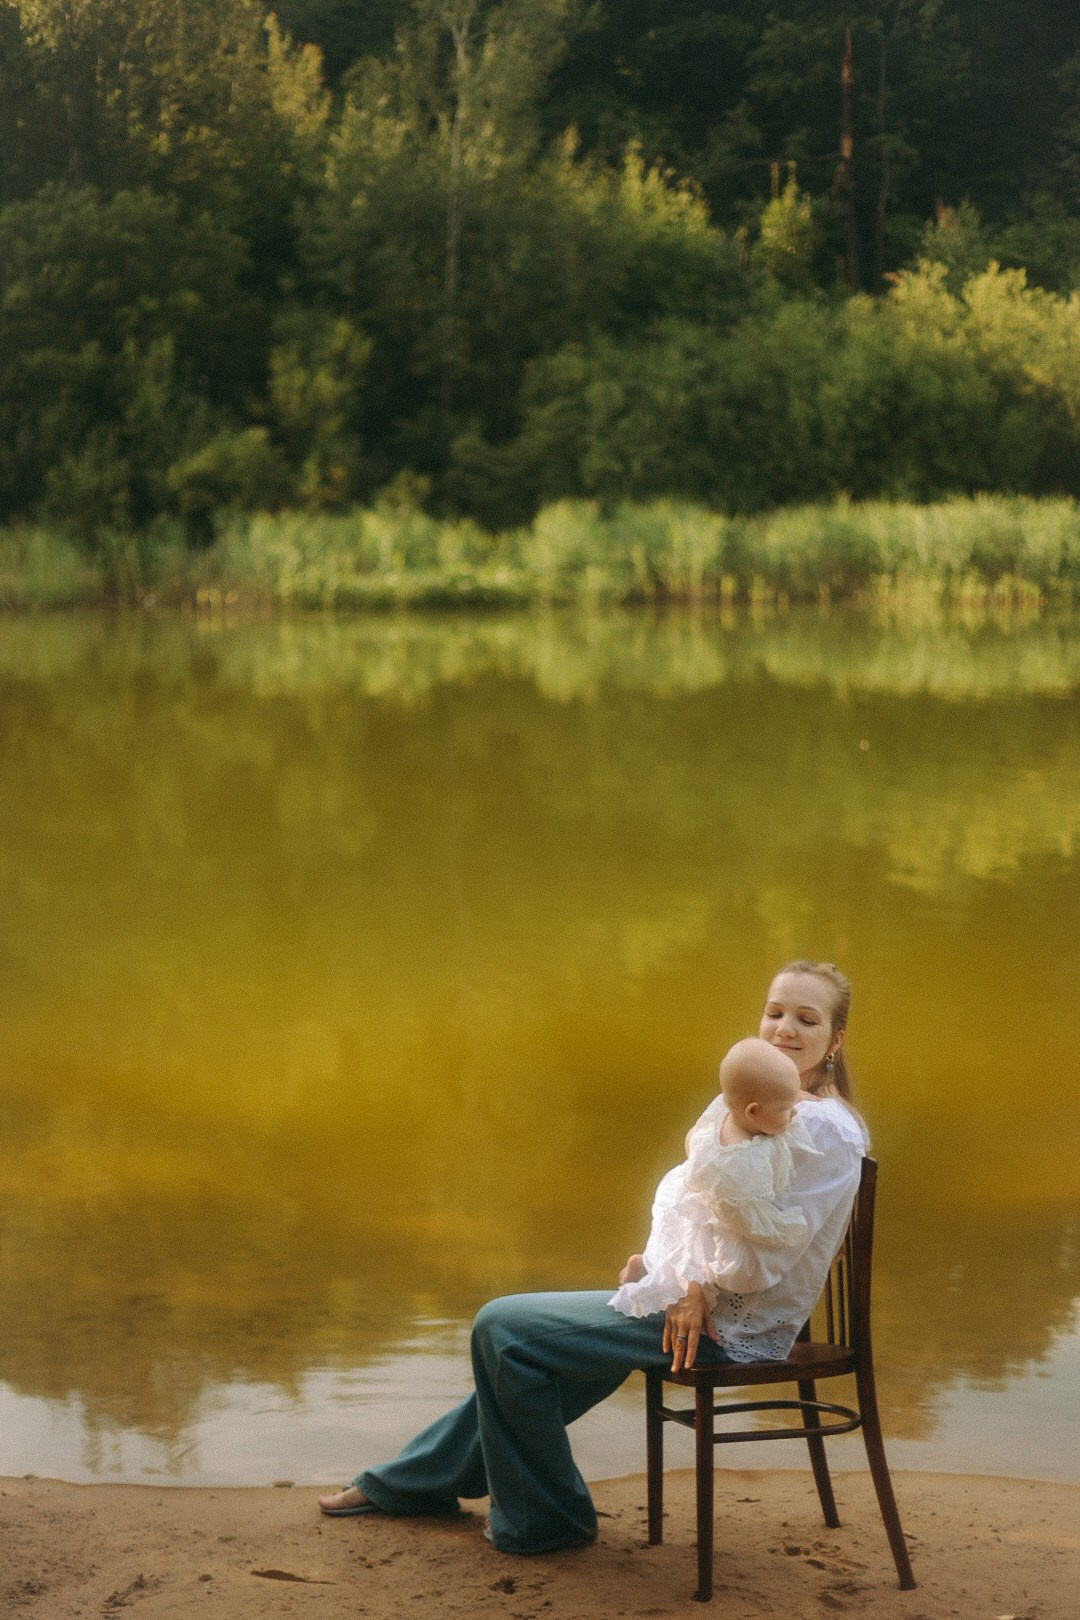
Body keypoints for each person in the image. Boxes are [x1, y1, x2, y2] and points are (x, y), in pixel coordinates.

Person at [318, 960, 869, 1557]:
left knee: (502, 1330)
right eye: (775, 1012)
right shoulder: (750, 1098)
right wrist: (663, 1269)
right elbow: (692, 1200)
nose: (785, 1028)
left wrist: (691, 1288)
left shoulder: (822, 1131)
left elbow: (772, 1248)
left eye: (806, 1019)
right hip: (690, 1300)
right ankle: (419, 1483)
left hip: (723, 1323)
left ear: (835, 1040)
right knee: (534, 1350)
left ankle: (545, 1520)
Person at [608, 1037, 817, 1320]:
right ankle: (648, 1268)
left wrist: (790, 1099)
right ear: (753, 1111)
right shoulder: (742, 1161)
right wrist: (780, 1228)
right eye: (785, 1109)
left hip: (682, 1187)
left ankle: (644, 1263)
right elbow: (742, 1216)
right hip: (715, 1209)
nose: (793, 1113)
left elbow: (694, 1134)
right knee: (712, 1264)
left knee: (671, 1247)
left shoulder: (726, 1107)